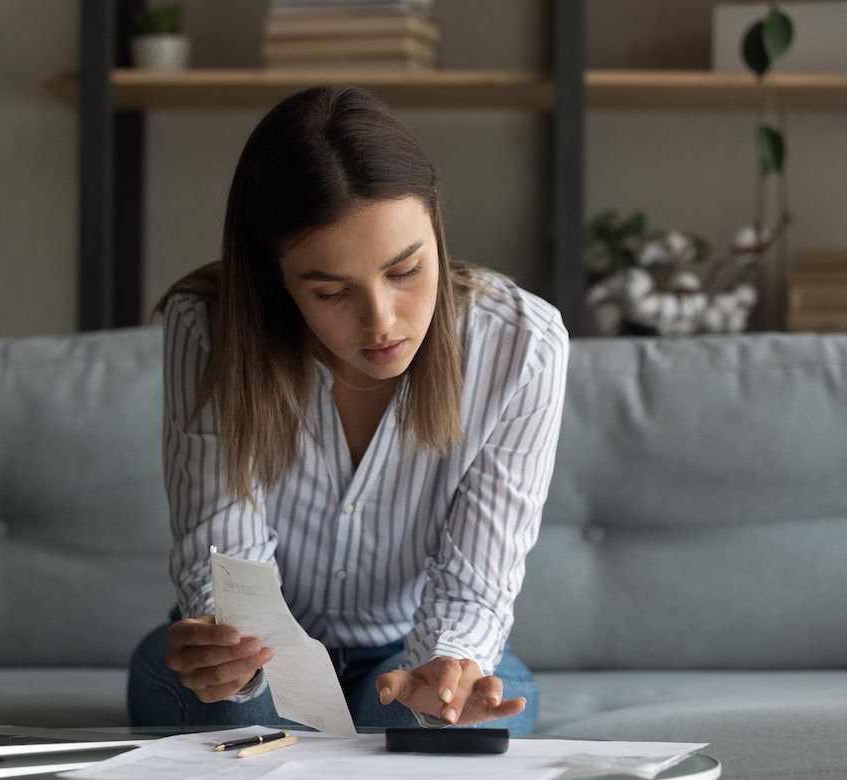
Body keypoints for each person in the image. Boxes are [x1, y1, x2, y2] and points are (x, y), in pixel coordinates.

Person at [127, 85, 568, 734]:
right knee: (231, 709)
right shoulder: (210, 329)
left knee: (447, 725)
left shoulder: (521, 346)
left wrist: (446, 672)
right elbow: (227, 571)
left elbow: (475, 588)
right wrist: (233, 659)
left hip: (411, 642)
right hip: (264, 652)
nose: (382, 322)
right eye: (331, 291)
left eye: (406, 270)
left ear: (437, 229)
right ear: (277, 278)